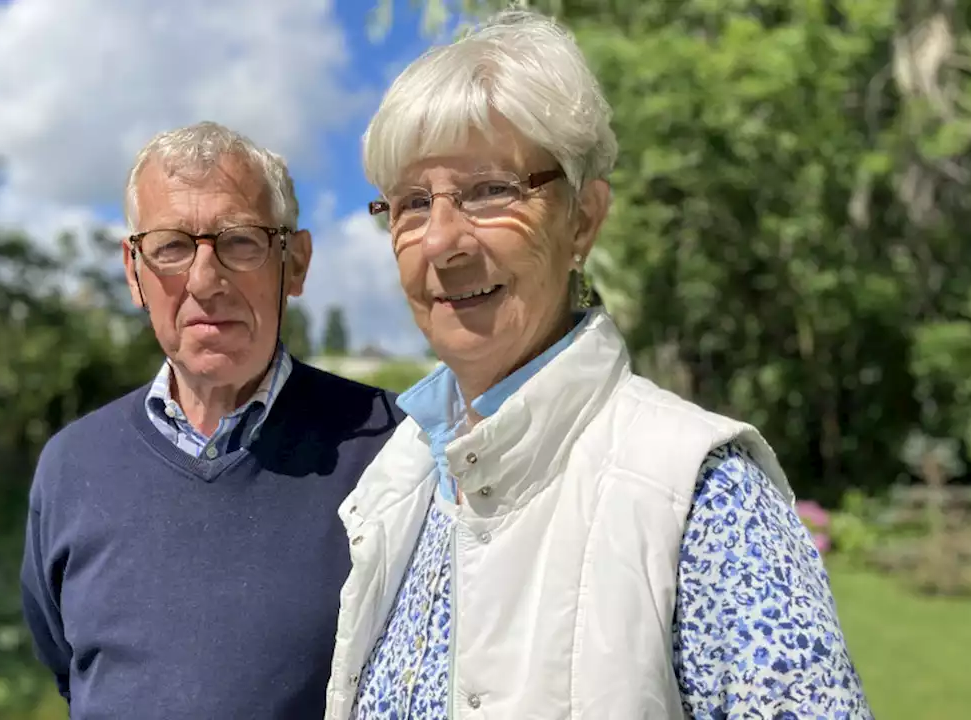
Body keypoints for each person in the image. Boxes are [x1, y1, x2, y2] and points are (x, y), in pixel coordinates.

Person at [324, 11, 872, 720]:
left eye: (491, 190)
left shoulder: (702, 496)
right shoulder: (401, 482)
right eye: (411, 204)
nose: (443, 242)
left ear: (582, 218)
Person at [20, 121, 402, 719]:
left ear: (294, 263)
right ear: (133, 270)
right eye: (171, 245)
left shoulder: (391, 449)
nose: (204, 280)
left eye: (241, 241)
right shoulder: (71, 466)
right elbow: (70, 667)